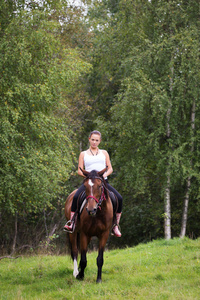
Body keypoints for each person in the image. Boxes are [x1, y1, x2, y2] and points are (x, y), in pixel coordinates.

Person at [64, 130, 122, 237]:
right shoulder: (83, 154)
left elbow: (110, 169)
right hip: (89, 182)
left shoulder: (104, 153)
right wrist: (90, 177)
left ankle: (115, 226)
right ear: (89, 139)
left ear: (99, 141)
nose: (94, 142)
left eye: (97, 140)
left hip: (102, 182)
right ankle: (72, 222)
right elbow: (79, 170)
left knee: (119, 198)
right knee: (76, 197)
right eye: (92, 140)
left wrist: (102, 177)